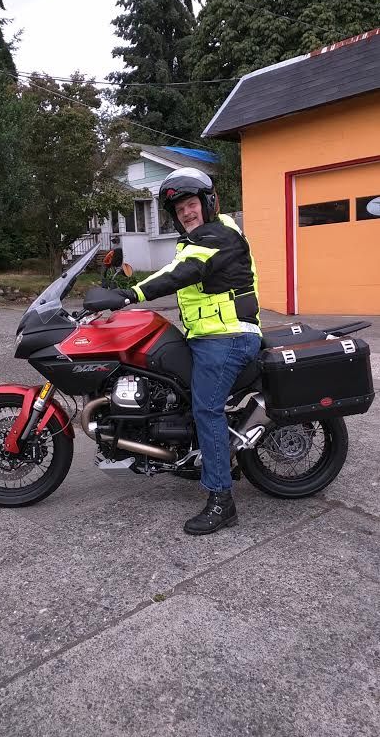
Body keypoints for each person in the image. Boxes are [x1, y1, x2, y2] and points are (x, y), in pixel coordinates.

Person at [114, 168, 261, 535]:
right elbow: (177, 269)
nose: (186, 213)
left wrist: (130, 295)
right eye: (180, 210)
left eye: (191, 205)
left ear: (208, 203)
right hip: (207, 336)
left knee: (206, 408)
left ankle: (221, 501)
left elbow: (179, 274)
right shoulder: (198, 239)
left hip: (228, 337)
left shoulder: (218, 235)